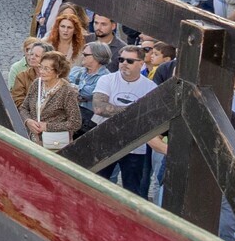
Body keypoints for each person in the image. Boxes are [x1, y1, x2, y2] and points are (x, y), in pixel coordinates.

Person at [91, 46, 161, 197]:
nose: (124, 63)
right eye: (121, 59)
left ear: (141, 63)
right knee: (95, 187)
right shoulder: (107, 79)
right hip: (105, 141)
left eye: (129, 61)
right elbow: (99, 108)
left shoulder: (150, 87)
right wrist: (136, 111)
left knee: (133, 191)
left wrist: (115, 109)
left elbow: (151, 117)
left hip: (135, 146)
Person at [20, 49, 81, 149]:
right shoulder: (37, 84)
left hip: (55, 145)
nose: (41, 71)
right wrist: (28, 121)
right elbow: (24, 108)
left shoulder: (67, 91)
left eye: (47, 69)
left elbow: (75, 122)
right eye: (41, 67)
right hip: (33, 141)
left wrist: (47, 126)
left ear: (58, 71)